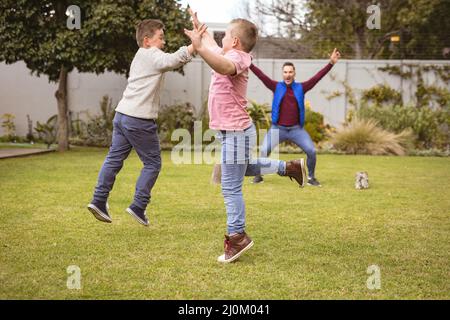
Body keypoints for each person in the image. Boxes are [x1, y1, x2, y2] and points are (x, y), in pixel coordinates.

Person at [185, 11, 307, 263]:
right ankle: (291, 167)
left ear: (236, 42)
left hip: (237, 133)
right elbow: (211, 48)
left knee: (230, 187)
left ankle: (237, 237)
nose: (222, 38)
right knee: (246, 167)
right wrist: (201, 32)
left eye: (226, 35)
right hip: (232, 132)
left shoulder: (239, 59)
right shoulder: (227, 52)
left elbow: (222, 65)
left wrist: (200, 46)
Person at [87, 19, 196, 226]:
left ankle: (99, 200)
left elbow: (167, 61)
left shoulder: (140, 56)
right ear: (147, 41)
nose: (164, 42)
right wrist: (194, 46)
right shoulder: (151, 54)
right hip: (138, 120)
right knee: (153, 163)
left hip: (122, 115)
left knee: (114, 159)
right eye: (160, 38)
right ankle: (138, 206)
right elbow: (172, 60)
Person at [250, 49, 341, 186]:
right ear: (283, 73)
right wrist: (250, 65)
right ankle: (258, 175)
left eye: (290, 72)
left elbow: (317, 78)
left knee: (311, 151)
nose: (288, 74)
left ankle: (311, 178)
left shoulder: (301, 87)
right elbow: (261, 76)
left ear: (294, 73)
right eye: (285, 72)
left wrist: (331, 63)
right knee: (264, 150)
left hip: (296, 130)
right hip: (278, 128)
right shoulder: (276, 86)